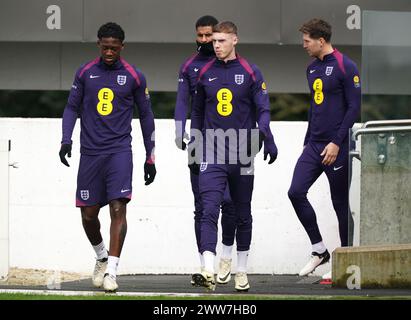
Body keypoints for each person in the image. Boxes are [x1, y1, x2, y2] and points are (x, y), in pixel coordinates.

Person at [59, 22, 156, 292]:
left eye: (114, 48)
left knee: (118, 208)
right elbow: (71, 107)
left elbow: (146, 116)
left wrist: (151, 156)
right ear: (99, 45)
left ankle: (112, 271)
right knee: (89, 215)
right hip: (90, 152)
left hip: (119, 152)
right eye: (105, 47)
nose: (109, 52)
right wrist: (66, 139)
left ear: (122, 47)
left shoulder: (135, 76)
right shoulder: (85, 72)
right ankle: (101, 256)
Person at [189, 21, 278, 291]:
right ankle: (207, 268)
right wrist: (195, 147)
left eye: (221, 41)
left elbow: (263, 109)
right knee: (208, 208)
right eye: (213, 41)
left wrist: (263, 135)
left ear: (235, 40)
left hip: (242, 151)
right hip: (211, 151)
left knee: (243, 213)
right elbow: (197, 112)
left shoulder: (251, 72)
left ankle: (241, 269)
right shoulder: (204, 72)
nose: (216, 45)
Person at [287, 18, 361, 278]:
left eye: (307, 41)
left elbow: (354, 108)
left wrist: (336, 142)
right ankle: (320, 250)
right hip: (314, 144)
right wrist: (308, 141)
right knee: (295, 192)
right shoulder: (311, 69)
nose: (304, 45)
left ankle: (348, 261)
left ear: (321, 40)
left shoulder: (345, 65)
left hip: (337, 145)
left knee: (340, 203)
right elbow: (314, 107)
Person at [174, 15, 237, 286]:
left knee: (230, 202)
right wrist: (180, 130)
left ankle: (226, 256)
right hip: (198, 142)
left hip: (229, 143)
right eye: (199, 36)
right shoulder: (189, 66)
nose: (204, 41)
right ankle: (205, 266)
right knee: (202, 205)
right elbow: (182, 101)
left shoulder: (227, 64)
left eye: (208, 36)